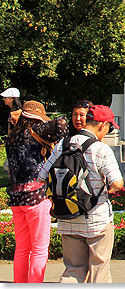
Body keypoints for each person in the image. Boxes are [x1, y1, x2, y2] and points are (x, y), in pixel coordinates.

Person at [38, 105, 124, 283]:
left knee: (73, 270)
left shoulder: (63, 144)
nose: (107, 132)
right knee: (99, 270)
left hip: (67, 216)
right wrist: (110, 188)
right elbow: (117, 183)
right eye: (109, 127)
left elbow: (41, 177)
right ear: (102, 125)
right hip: (97, 220)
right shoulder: (101, 149)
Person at [6, 101, 68, 283]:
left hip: (17, 199)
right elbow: (62, 123)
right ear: (36, 119)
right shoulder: (37, 131)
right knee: (40, 249)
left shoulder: (13, 136)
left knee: (22, 249)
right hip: (37, 197)